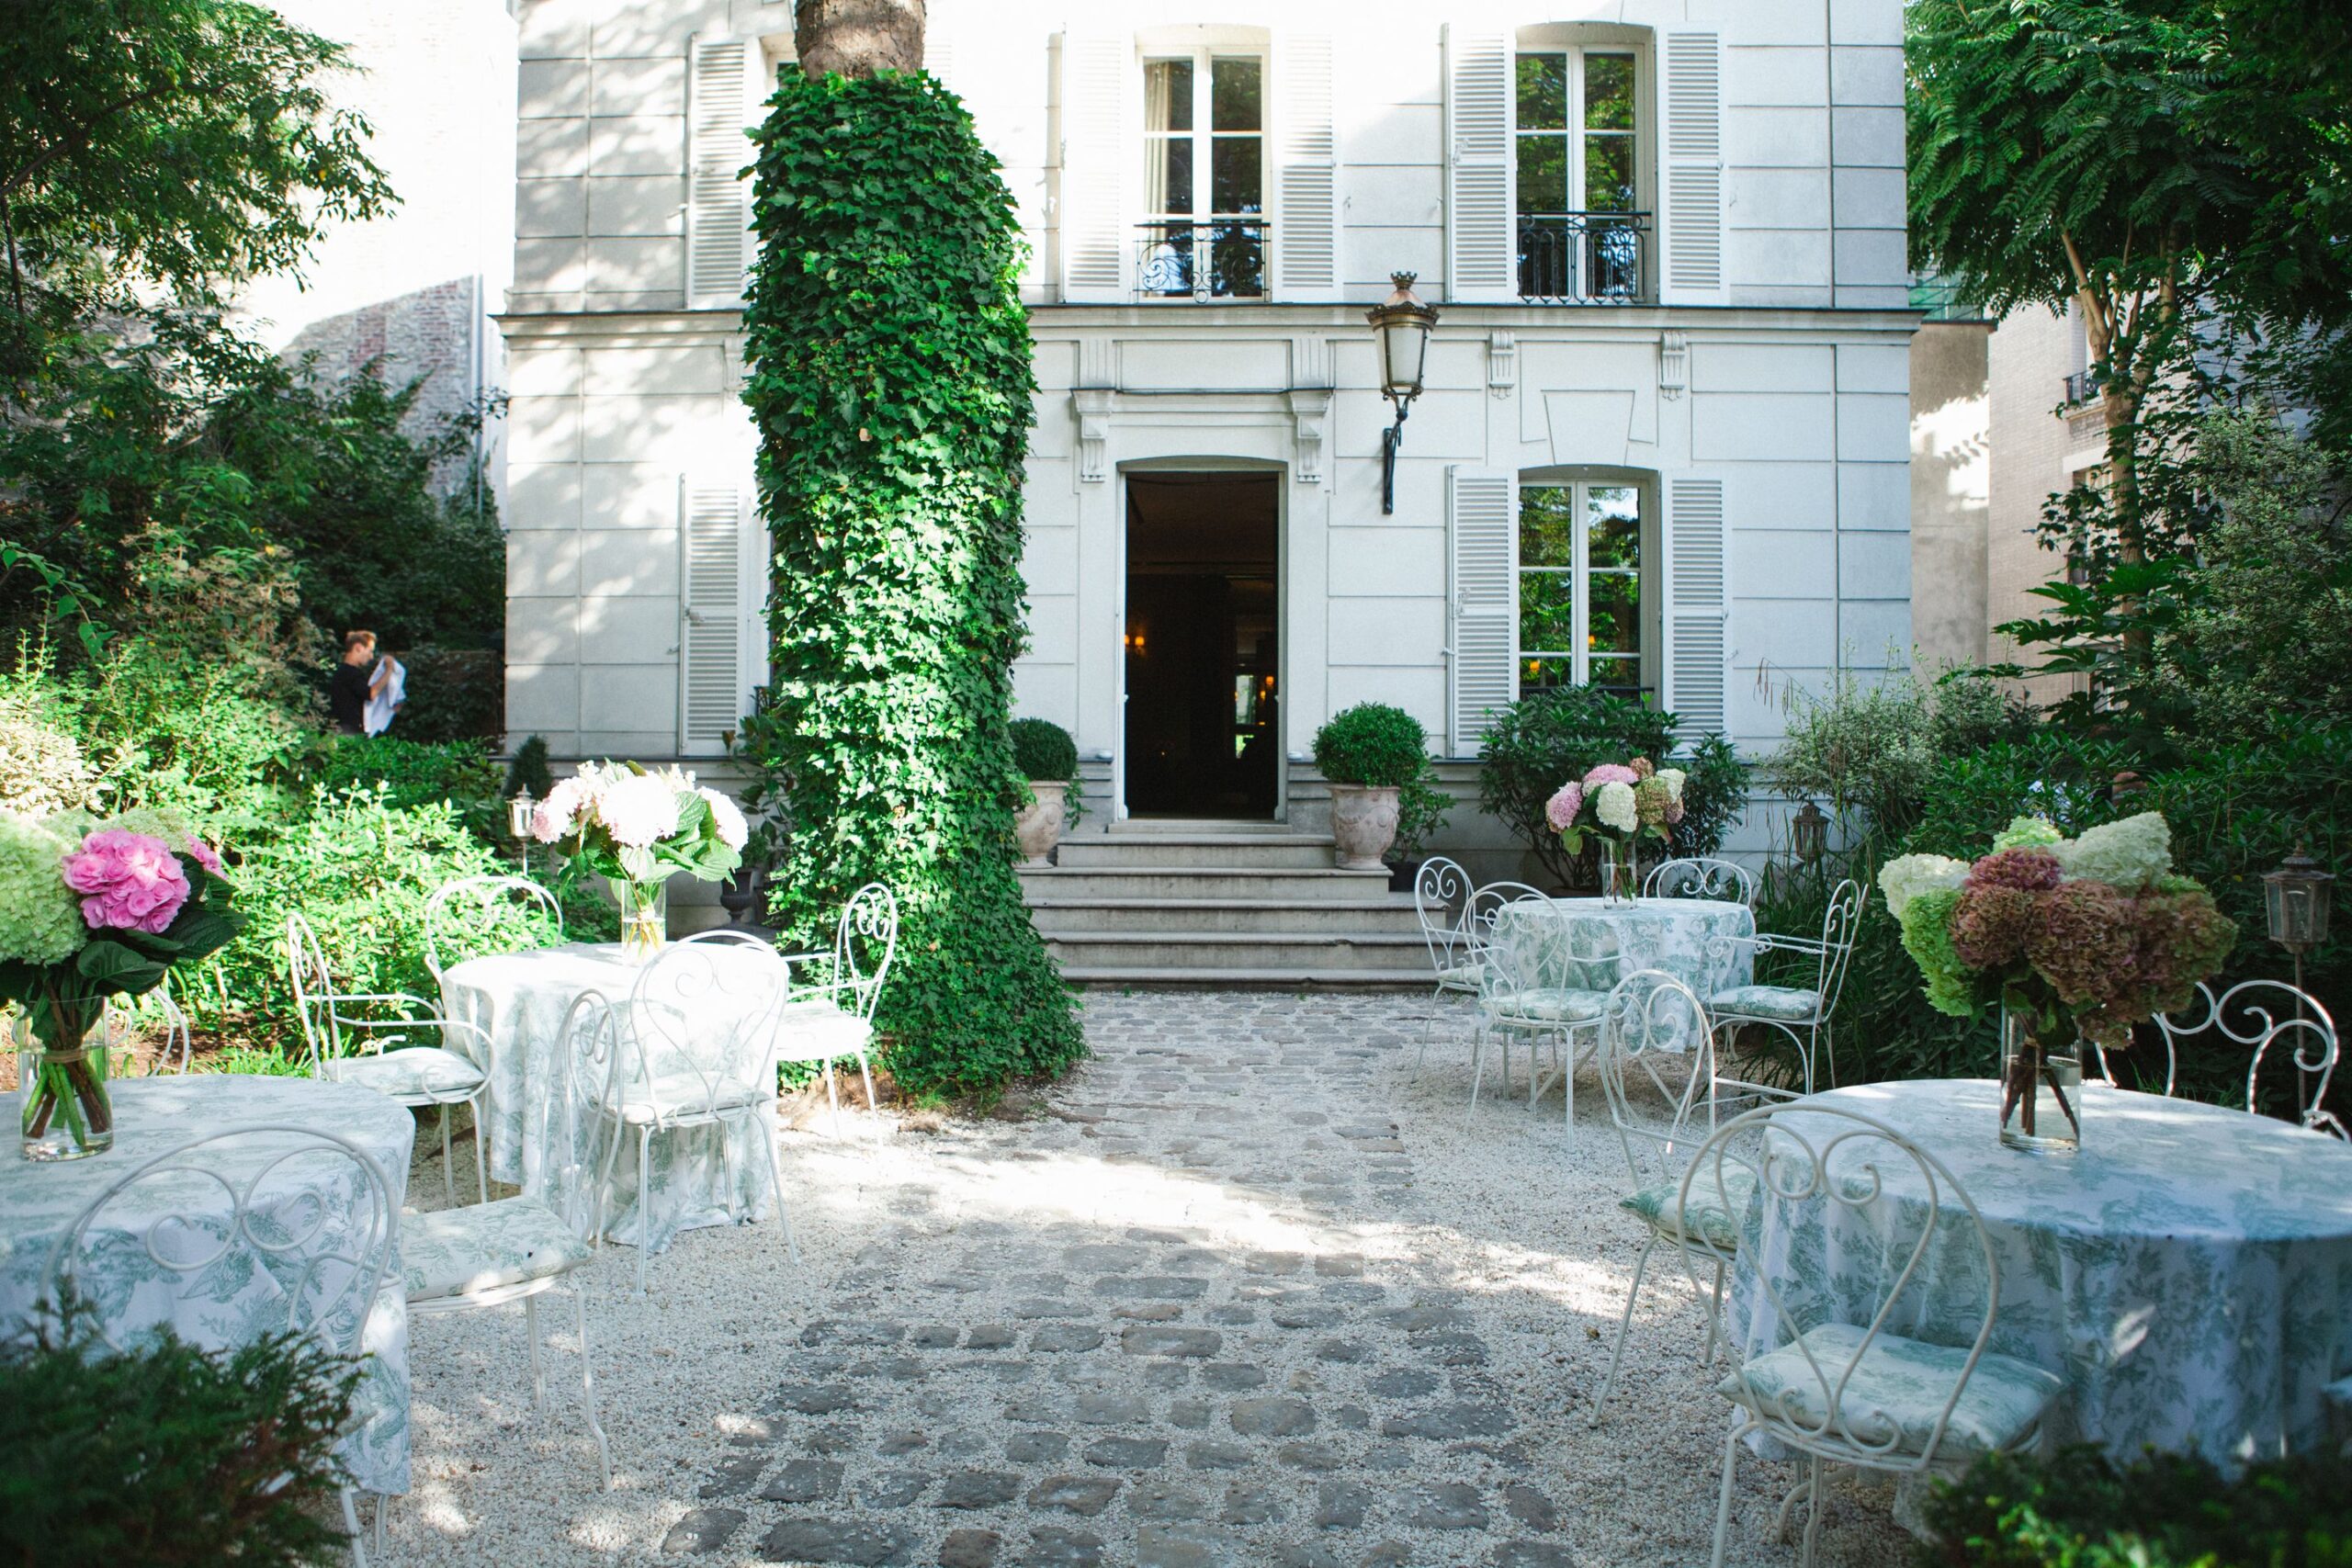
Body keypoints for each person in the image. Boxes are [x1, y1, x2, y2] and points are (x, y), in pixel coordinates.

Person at [330, 629, 390, 735]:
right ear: (358, 648)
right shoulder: (350, 673)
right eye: (370, 651)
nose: (371, 656)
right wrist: (389, 670)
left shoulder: (345, 672)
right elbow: (371, 694)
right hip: (347, 730)